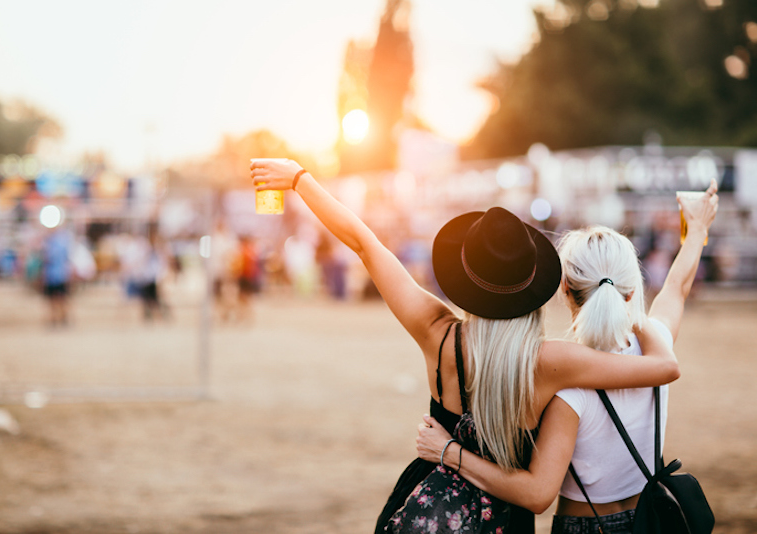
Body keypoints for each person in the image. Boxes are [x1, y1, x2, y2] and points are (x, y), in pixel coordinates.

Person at [250, 159, 679, 534]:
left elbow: (365, 243)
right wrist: (628, 303)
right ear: (534, 285)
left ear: (464, 277)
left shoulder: (436, 331)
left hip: (428, 506)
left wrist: (300, 179)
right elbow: (663, 367)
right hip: (504, 519)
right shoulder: (551, 361)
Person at [416, 181, 718, 534]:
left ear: (564, 288)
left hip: (586, 525)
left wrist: (449, 451)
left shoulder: (566, 385)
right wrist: (697, 228)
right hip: (650, 520)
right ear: (631, 290)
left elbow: (536, 493)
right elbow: (677, 289)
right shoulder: (655, 346)